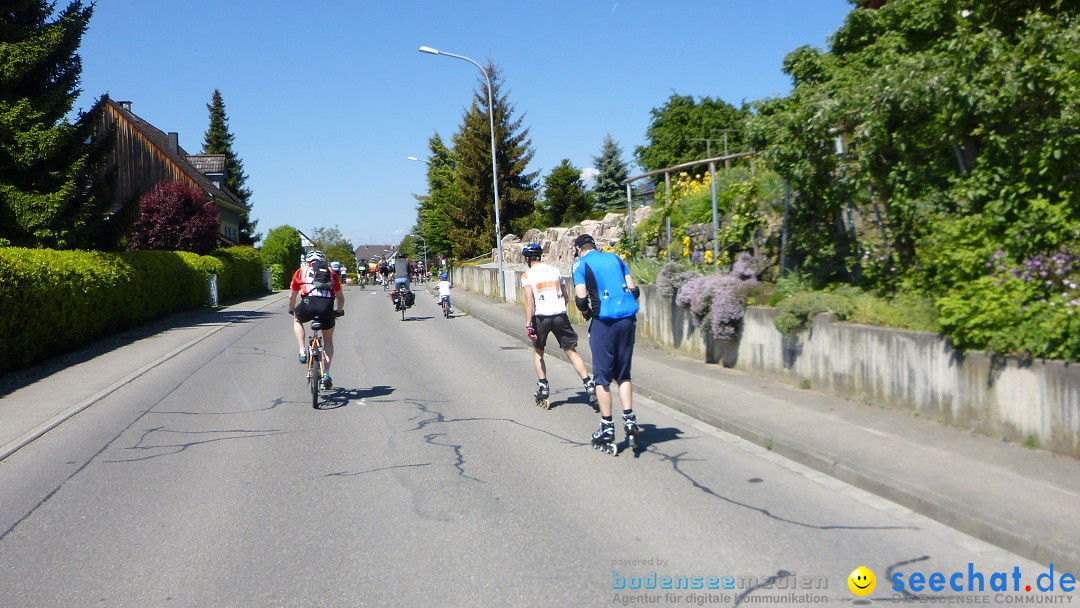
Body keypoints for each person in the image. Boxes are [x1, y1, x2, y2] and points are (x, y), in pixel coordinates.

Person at [571, 234, 640, 453]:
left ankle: (607, 426)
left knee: (602, 377)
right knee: (624, 373)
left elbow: (581, 298)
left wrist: (586, 312)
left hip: (605, 321)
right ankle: (629, 418)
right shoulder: (617, 259)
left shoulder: (580, 264)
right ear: (594, 245)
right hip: (628, 320)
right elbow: (634, 290)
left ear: (578, 249)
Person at [520, 243, 596, 409]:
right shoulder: (555, 271)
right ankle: (588, 383)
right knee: (570, 350)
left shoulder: (527, 275)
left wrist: (528, 323)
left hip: (541, 317)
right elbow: (565, 295)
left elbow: (529, 300)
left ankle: (543, 386)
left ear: (527, 258)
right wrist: (561, 310)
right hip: (560, 314)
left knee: (539, 351)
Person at [289, 250, 345, 389]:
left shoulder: (301, 271)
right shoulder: (331, 273)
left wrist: (292, 309)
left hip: (308, 304)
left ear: (308, 261)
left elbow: (292, 296)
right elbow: (340, 298)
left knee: (297, 319)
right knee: (328, 340)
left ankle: (302, 351)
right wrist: (338, 311)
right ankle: (326, 373)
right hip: (326, 307)